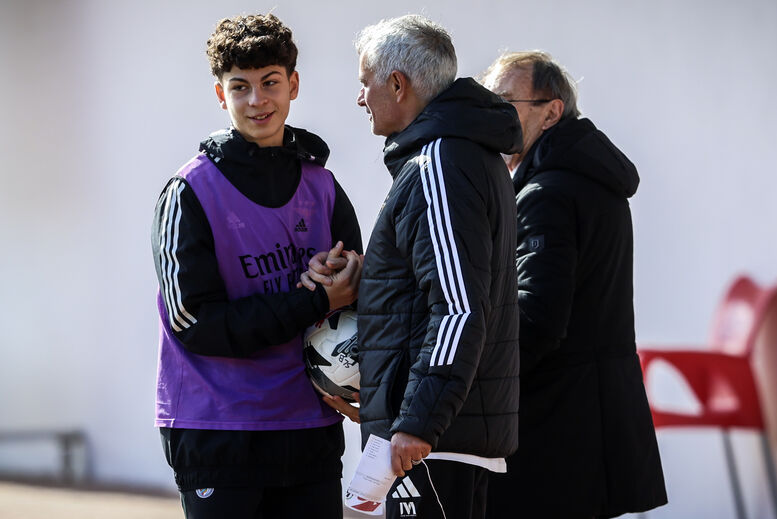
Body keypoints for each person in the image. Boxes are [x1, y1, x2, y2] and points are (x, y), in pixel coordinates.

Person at [304, 15, 522, 519]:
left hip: (432, 441)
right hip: (440, 433)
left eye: (366, 82)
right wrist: (368, 276)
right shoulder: (461, 156)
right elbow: (443, 285)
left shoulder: (439, 164)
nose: (360, 98)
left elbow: (458, 308)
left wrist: (419, 420)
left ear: (398, 85)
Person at [150, 13, 362, 519]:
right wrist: (310, 300)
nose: (256, 100)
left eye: (270, 83)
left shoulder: (323, 186)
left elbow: (356, 301)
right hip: (218, 431)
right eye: (239, 87)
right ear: (220, 95)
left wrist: (341, 277)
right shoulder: (188, 192)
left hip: (309, 426)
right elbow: (194, 323)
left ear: (293, 85)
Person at [480, 51, 667, 518]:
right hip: (593, 421)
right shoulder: (584, 179)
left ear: (551, 112)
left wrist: (476, 384)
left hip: (559, 430)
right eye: (489, 102)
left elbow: (537, 318)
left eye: (506, 102)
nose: (494, 115)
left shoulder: (548, 194)